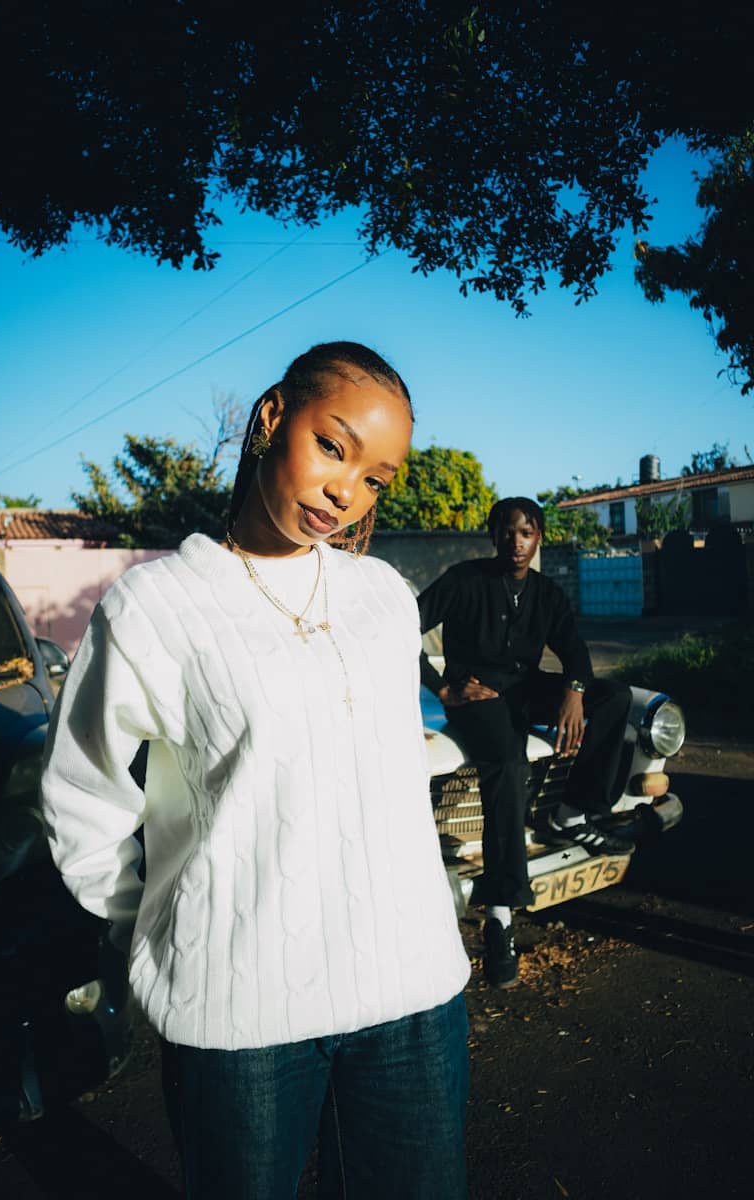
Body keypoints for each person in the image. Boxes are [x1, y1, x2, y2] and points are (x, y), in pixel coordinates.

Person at [41, 342, 471, 1199]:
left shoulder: (384, 597)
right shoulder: (153, 609)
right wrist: (168, 927)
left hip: (414, 998)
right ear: (273, 418)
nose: (347, 492)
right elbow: (82, 797)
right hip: (241, 1020)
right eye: (334, 446)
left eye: (377, 478)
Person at [417, 497, 633, 989]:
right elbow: (402, 628)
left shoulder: (547, 594)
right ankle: (500, 917)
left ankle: (574, 811)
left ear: (540, 538)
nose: (517, 543)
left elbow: (575, 652)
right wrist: (443, 687)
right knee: (508, 766)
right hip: (476, 694)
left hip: (522, 687)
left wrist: (575, 692)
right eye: (508, 532)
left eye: (527, 533)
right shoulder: (464, 579)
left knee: (613, 697)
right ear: (494, 535)